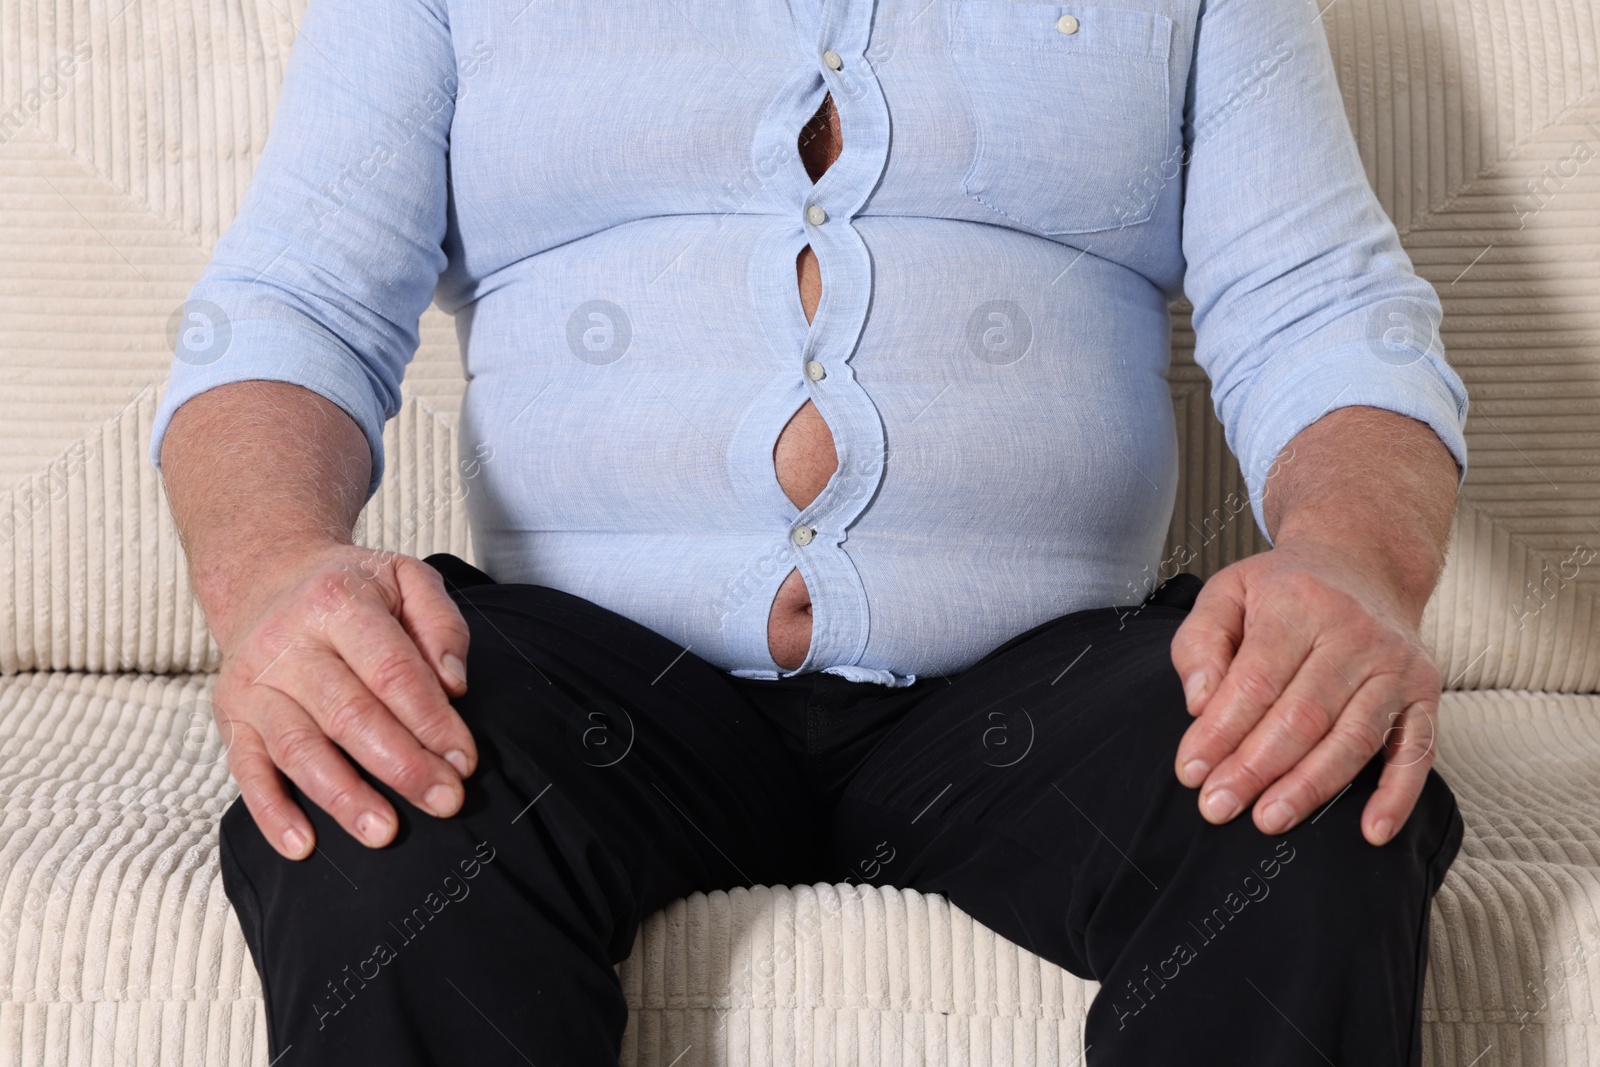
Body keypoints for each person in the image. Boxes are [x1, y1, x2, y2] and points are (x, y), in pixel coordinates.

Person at [149, 0, 1470, 1063]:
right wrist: (272, 571)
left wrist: (1350, 563)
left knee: (1313, 788)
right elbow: (292, 314)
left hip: (1038, 689)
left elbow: (1323, 320)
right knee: (366, 794)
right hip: (591, 677)